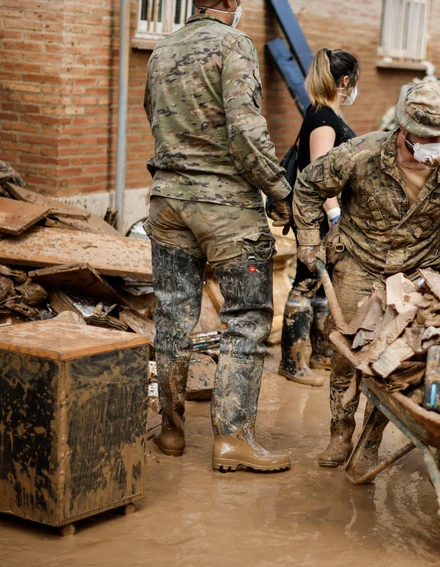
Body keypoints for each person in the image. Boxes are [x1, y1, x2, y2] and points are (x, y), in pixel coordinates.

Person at [143, 0, 293, 472]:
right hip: (225, 208)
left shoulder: (161, 50)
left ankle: (170, 431)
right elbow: (247, 134)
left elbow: (154, 115)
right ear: (230, 3)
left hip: (167, 200)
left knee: (172, 317)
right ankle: (232, 439)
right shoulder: (235, 44)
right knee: (246, 319)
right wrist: (280, 191)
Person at [293, 82, 440, 473]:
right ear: (404, 129)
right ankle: (341, 432)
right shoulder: (361, 154)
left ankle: (370, 443)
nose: (435, 144)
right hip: (359, 262)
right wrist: (309, 241)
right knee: (347, 354)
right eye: (427, 136)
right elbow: (307, 187)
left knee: (397, 362)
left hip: (415, 271)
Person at [278, 49, 359, 387]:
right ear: (345, 81)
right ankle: (292, 361)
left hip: (322, 214)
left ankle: (321, 353)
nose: (357, 87)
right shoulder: (324, 119)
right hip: (317, 216)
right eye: (355, 81)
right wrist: (335, 213)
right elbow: (318, 172)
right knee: (307, 280)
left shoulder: (325, 113)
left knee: (325, 285)